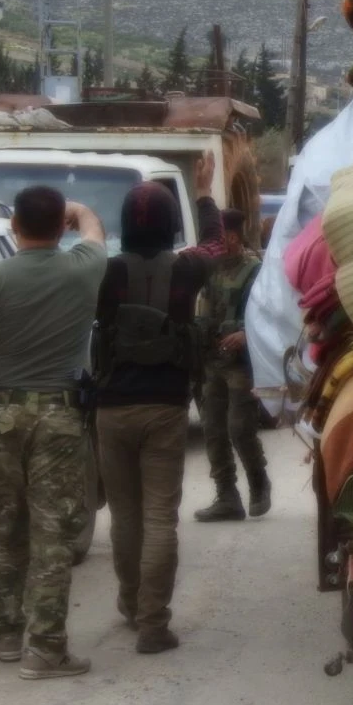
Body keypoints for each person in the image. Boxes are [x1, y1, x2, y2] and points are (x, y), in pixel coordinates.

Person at [0, 186, 107, 679]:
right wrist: (76, 209)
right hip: (59, 415)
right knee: (52, 530)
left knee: (5, 524)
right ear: (61, 227)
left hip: (1, 416)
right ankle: (45, 648)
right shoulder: (83, 268)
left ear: (13, 226)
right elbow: (94, 229)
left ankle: (6, 634)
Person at [93, 156, 224, 653]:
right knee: (159, 519)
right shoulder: (188, 270)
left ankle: (130, 603)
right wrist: (205, 193)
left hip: (111, 407)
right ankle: (154, 622)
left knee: (124, 517)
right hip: (166, 408)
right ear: (172, 225)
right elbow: (216, 243)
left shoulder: (105, 273)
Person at [195, 208, 269, 522]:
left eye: (222, 236)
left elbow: (266, 313)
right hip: (212, 360)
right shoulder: (209, 269)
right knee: (212, 429)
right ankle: (227, 496)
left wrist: (245, 334)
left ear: (234, 236)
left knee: (239, 428)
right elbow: (202, 308)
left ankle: (258, 481)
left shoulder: (254, 270)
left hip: (241, 363)